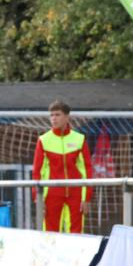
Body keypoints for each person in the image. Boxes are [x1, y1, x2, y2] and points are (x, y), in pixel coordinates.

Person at [32, 100, 92, 233]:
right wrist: (38, 198)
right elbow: (37, 172)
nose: (53, 118)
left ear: (67, 117)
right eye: (51, 115)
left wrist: (86, 197)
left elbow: (87, 169)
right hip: (51, 194)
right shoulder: (43, 140)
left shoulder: (79, 139)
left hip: (76, 194)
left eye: (57, 115)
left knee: (76, 234)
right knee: (50, 234)